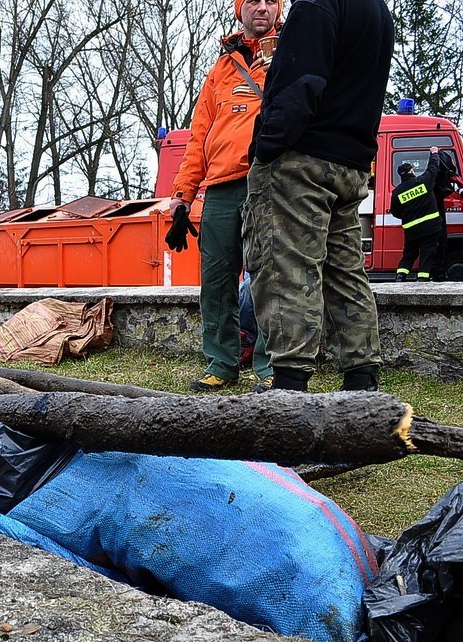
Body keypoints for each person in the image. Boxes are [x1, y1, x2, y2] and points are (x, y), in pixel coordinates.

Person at [243, 0, 393, 392]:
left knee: (285, 268)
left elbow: (300, 83)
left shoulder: (316, 4)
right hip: (350, 163)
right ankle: (362, 383)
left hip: (301, 161)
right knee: (345, 271)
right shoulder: (377, 11)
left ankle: (289, 390)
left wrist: (267, 147)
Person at [170, 0, 280, 392]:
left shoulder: (291, 52)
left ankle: (271, 367)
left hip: (269, 182)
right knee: (216, 278)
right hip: (219, 188)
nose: (262, 8)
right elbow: (199, 135)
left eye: (270, 0)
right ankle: (222, 361)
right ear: (240, 10)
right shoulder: (220, 69)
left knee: (269, 276)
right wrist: (183, 193)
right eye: (253, 1)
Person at [389, 146, 443, 282]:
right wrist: (434, 153)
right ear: (411, 171)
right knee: (427, 252)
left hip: (412, 230)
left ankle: (400, 276)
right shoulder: (423, 181)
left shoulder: (397, 192)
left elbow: (395, 212)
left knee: (409, 254)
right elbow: (433, 168)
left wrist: (408, 216)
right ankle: (422, 279)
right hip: (431, 227)